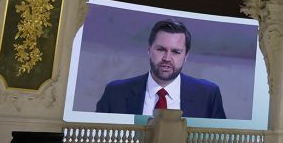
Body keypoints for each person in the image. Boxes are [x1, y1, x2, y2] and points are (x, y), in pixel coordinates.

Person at [96, 19, 226, 118]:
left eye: (175, 52)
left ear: (186, 56)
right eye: (161, 49)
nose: (167, 58)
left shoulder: (208, 95)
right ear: (149, 49)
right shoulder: (115, 93)